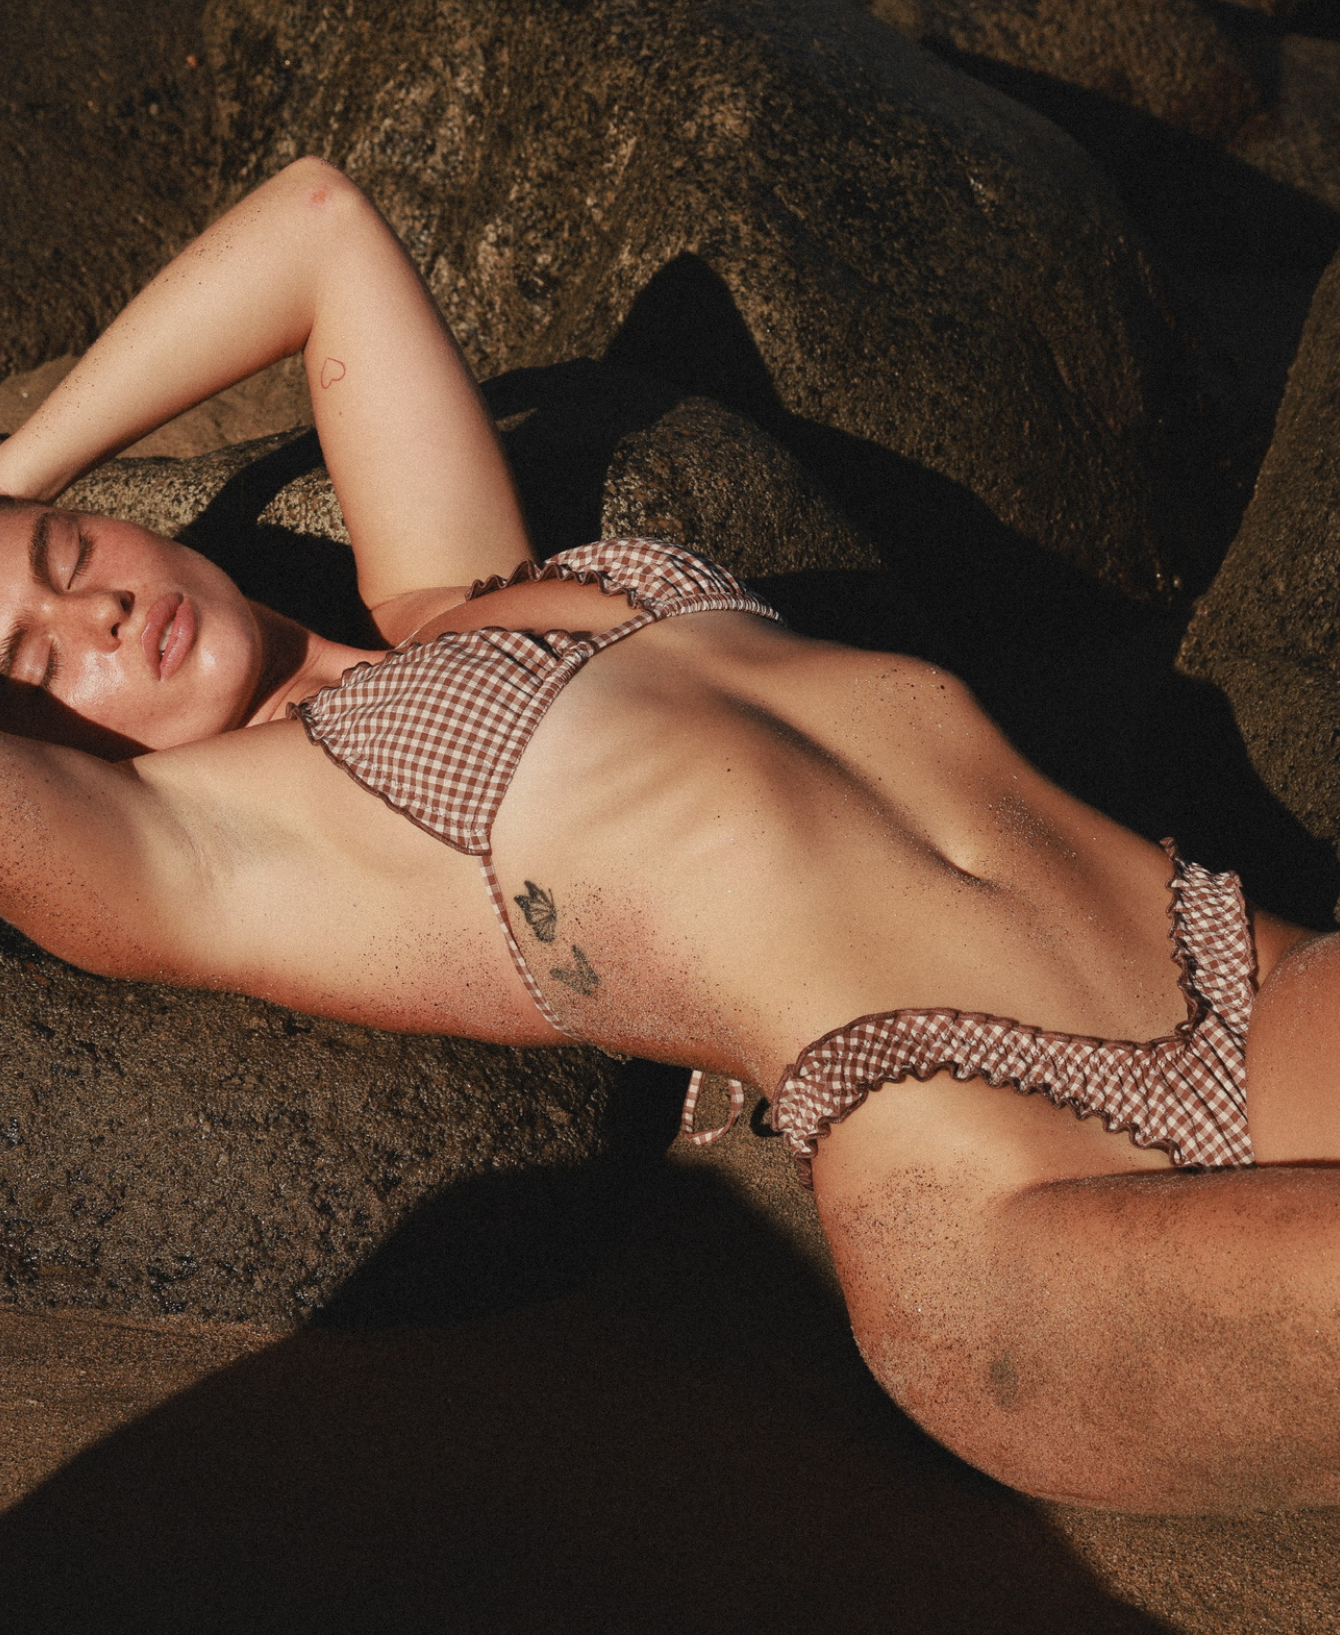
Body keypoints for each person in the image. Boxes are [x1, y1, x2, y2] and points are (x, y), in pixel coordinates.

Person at [0, 157, 1335, 1515]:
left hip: (1221, 965)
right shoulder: (197, 853)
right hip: (984, 1188)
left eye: (65, 556)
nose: (94, 618)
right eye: (35, 665)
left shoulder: (458, 588)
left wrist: (7, 476)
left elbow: (316, 227)